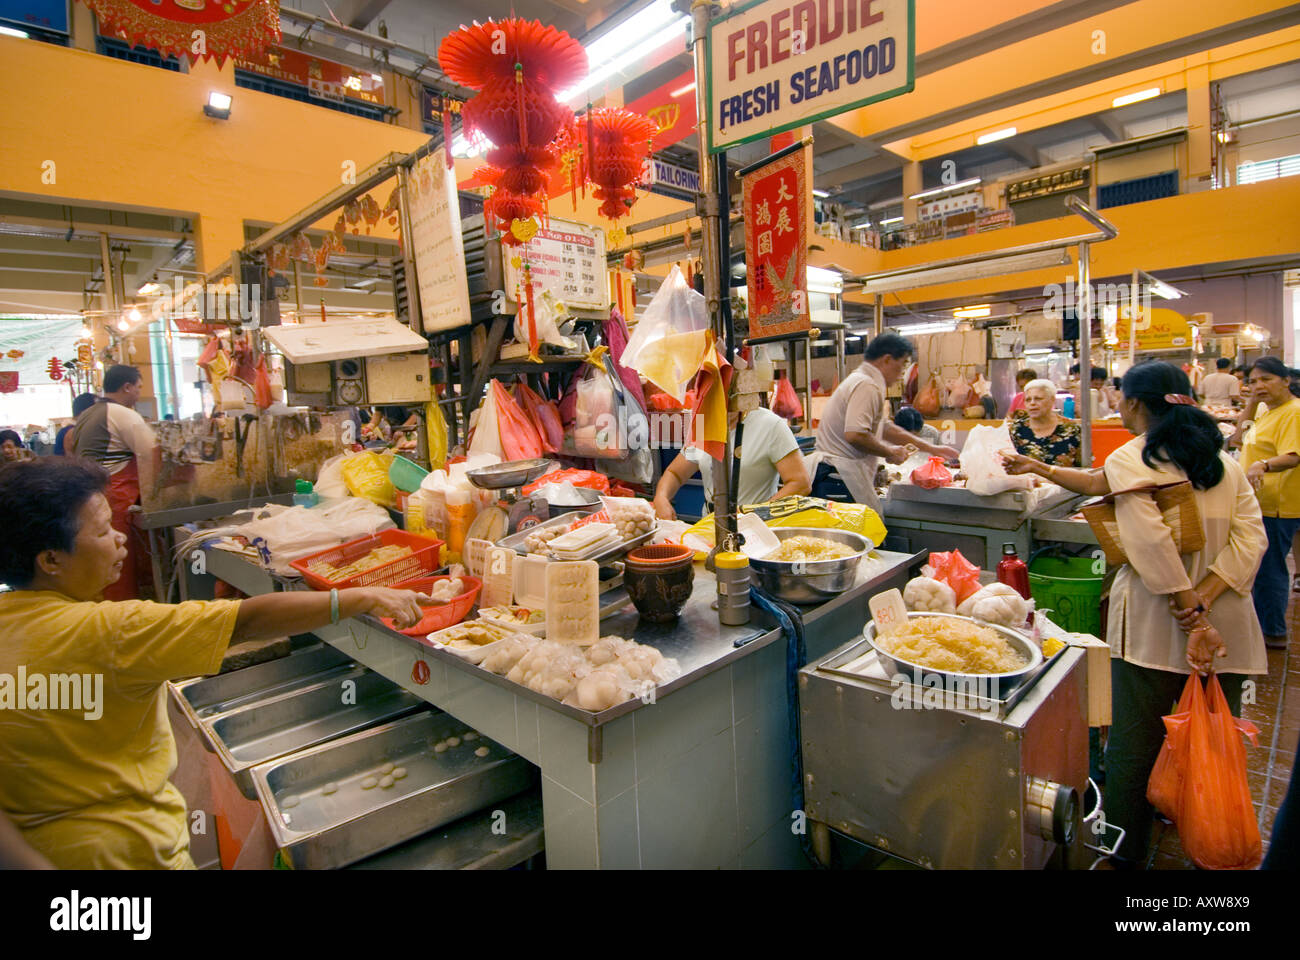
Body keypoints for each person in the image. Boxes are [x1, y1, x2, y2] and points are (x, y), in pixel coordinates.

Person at [0, 458, 430, 869]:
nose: (120, 539)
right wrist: (365, 597)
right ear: (51, 560)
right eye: (101, 532)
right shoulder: (112, 630)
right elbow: (249, 620)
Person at [1005, 361, 1267, 868]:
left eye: (1123, 397)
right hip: (1227, 628)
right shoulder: (1221, 461)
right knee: (1208, 743)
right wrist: (1207, 598)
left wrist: (1185, 603)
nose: (1119, 406)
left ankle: (1125, 854)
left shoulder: (1133, 456)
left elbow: (1150, 544)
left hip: (1156, 625)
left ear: (1140, 404)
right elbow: (1251, 539)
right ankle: (1202, 834)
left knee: (1133, 748)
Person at [813, 332, 959, 511]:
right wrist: (889, 451)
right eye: (901, 366)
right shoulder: (867, 386)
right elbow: (855, 434)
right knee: (858, 536)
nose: (901, 375)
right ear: (887, 360)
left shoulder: (865, 382)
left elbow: (886, 429)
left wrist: (932, 448)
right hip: (837, 479)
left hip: (838, 477)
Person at [68, 365, 158, 601]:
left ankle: (103, 607)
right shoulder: (123, 414)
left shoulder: (88, 413)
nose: (139, 394)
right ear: (126, 387)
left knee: (102, 562)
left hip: (90, 496)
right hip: (115, 498)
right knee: (119, 561)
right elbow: (153, 455)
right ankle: (122, 614)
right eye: (138, 388)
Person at [1239, 356, 1300, 650]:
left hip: (1279, 503)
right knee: (1262, 566)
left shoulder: (1294, 412)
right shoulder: (1267, 410)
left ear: (1286, 380)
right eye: (1253, 381)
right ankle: (1265, 625)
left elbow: (1294, 455)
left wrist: (1262, 465)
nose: (1258, 385)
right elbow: (1239, 437)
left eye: (1266, 379)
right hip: (1260, 501)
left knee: (1270, 568)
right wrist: (1252, 401)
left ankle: (1274, 632)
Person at [654, 405, 810, 519]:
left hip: (758, 528)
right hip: (710, 524)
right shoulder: (704, 424)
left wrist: (755, 514)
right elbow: (675, 473)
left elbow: (800, 482)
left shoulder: (771, 425)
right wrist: (661, 497)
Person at [1004, 378, 1081, 467]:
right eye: (1028, 400)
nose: (1032, 403)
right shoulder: (1016, 429)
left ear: (1052, 400)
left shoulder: (1072, 429)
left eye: (1038, 399)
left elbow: (1084, 469)